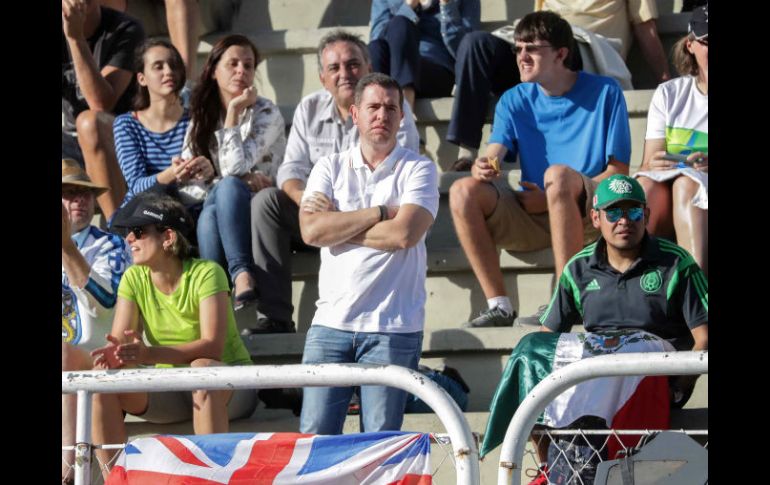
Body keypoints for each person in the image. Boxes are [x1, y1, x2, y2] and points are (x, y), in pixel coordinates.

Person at [479, 174, 708, 483]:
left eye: (633, 211)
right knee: (529, 348)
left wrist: (678, 389)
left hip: (651, 382)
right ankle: (549, 462)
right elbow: (548, 338)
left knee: (640, 347)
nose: (624, 220)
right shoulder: (577, 268)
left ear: (647, 214)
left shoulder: (677, 262)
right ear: (596, 218)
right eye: (614, 212)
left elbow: (703, 339)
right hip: (594, 380)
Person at [449, 11, 631, 327]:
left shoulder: (605, 92)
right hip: (535, 212)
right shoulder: (513, 99)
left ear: (561, 53)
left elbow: (618, 173)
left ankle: (567, 300)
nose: (522, 57)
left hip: (589, 213)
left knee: (557, 175)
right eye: (518, 49)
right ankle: (500, 305)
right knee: (462, 190)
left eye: (531, 49)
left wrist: (551, 196)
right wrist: (485, 167)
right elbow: (495, 152)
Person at [245, 30, 419, 334]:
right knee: (267, 202)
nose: (344, 74)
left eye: (353, 65)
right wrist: (309, 202)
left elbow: (399, 177)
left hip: (371, 225)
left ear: (369, 69)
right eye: (334, 68)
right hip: (317, 220)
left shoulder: (393, 111)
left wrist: (338, 219)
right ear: (322, 77)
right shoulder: (309, 108)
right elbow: (291, 169)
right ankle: (275, 318)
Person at [297, 73, 439, 434]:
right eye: (373, 107)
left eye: (391, 107)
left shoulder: (420, 168)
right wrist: (378, 213)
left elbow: (404, 234)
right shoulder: (328, 167)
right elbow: (312, 231)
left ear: (402, 117)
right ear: (354, 114)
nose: (382, 115)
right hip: (330, 325)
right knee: (315, 444)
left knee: (379, 445)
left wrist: (338, 229)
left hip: (393, 328)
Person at [90, 192, 257, 475]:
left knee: (202, 369)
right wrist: (115, 353)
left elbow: (212, 348)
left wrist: (147, 354)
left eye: (139, 231)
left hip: (229, 389)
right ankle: (114, 479)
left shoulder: (208, 272)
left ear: (168, 237)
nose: (129, 239)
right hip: (169, 387)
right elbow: (121, 339)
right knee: (102, 382)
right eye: (130, 232)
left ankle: (209, 479)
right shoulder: (133, 277)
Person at [446, 0, 667, 159]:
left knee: (562, 46)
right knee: (475, 43)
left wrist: (664, 80)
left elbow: (645, 27)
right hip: (542, 46)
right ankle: (467, 150)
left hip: (588, 48)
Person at [182, 34, 286, 310]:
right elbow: (189, 187)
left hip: (256, 208)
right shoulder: (201, 116)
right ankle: (239, 278)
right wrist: (210, 176)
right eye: (233, 64)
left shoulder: (266, 112)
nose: (242, 71)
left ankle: (223, 292)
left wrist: (235, 110)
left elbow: (233, 169)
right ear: (214, 71)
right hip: (216, 205)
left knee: (221, 198)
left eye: (249, 65)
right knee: (212, 209)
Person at [61, 159, 131, 484]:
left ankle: (69, 469)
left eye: (85, 193)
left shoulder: (110, 244)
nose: (79, 199)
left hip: (99, 358)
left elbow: (107, 300)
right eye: (69, 193)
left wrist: (66, 247)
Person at [635, 4, 708, 276]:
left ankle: (695, 288)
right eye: (706, 42)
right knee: (643, 189)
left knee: (687, 185)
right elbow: (650, 161)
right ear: (690, 45)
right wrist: (658, 163)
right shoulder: (669, 93)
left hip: (691, 189)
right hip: (678, 188)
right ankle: (633, 289)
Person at [62, 0, 146, 220]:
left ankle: (118, 230)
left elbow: (101, 103)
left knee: (90, 123)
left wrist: (75, 38)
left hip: (120, 140)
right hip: (72, 145)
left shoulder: (126, 29)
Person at [113, 39, 191, 206]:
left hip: (190, 207)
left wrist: (207, 170)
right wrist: (172, 174)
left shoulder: (196, 119)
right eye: (158, 67)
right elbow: (136, 186)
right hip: (147, 212)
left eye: (173, 65)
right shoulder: (127, 124)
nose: (169, 71)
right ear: (142, 79)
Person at [368, 0, 479, 109]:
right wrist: (408, 7)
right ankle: (391, 114)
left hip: (437, 70)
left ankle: (404, 114)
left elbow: (467, 49)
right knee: (398, 25)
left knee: (401, 23)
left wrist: (447, 6)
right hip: (393, 68)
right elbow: (378, 42)